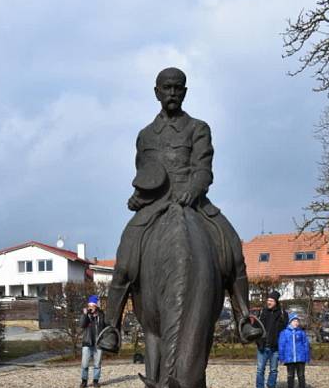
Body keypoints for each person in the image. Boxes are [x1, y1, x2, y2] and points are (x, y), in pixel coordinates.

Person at [98, 67, 262, 353]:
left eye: (178, 88)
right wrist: (138, 197)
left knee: (232, 248)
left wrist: (194, 189)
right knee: (124, 260)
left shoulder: (198, 128)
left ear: (184, 92)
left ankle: (243, 316)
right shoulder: (145, 136)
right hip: (156, 207)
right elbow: (146, 175)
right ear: (157, 93)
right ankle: (111, 327)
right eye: (167, 88)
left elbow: (204, 169)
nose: (172, 93)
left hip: (194, 203)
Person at [253, 291, 288, 388]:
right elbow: (255, 327)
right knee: (260, 370)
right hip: (262, 346)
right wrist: (258, 340)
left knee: (273, 370)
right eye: (268, 300)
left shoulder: (282, 313)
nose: (269, 302)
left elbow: (285, 330)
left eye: (271, 300)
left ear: (276, 302)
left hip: (275, 348)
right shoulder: (261, 312)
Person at [278, 313, 311, 388]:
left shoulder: (301, 332)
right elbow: (281, 345)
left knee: (301, 375)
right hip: (289, 358)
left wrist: (307, 356)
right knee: (290, 375)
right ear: (290, 322)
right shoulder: (284, 333)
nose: (296, 323)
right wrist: (281, 357)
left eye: (297, 321)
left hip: (300, 358)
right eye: (294, 321)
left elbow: (305, 345)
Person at [79, 295, 105, 388]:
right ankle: (84, 381)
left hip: (98, 343)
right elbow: (82, 325)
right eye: (89, 306)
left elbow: (104, 326)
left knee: (97, 364)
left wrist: (98, 315)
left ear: (96, 306)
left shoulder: (101, 315)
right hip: (87, 342)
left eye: (92, 306)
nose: (91, 308)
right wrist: (85, 314)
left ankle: (95, 381)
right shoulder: (86, 315)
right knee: (84, 364)